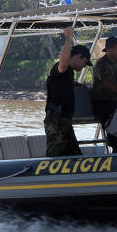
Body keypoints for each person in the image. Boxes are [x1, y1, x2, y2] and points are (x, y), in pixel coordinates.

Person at [44, 26, 92, 157]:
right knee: (55, 155)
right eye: (85, 62)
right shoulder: (62, 69)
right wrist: (69, 39)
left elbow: (66, 85)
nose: (84, 67)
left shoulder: (69, 74)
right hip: (56, 121)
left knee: (75, 155)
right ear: (77, 56)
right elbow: (63, 63)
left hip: (64, 121)